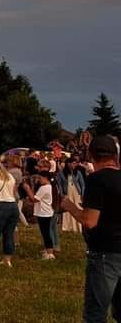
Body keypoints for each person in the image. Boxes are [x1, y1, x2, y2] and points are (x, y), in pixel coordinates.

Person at [61, 135, 121, 323]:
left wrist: (70, 206)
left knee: (96, 312)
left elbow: (89, 221)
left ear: (91, 155)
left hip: (105, 251)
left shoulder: (97, 179)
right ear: (115, 155)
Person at [27, 174, 56, 260]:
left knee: (46, 233)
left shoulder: (44, 188)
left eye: (40, 178)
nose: (39, 180)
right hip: (47, 211)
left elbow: (34, 199)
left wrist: (28, 189)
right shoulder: (50, 186)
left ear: (46, 178)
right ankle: (48, 249)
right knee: (45, 232)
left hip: (43, 212)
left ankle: (50, 252)